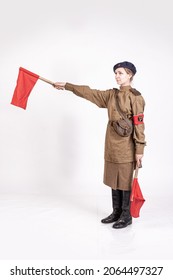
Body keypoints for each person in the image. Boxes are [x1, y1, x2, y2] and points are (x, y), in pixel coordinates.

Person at [54, 61, 146, 229]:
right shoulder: (111, 95)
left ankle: (126, 216)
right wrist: (68, 86)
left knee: (125, 181)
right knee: (113, 179)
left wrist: (139, 150)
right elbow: (89, 92)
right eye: (116, 73)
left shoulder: (136, 97)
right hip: (111, 144)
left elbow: (139, 125)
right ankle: (116, 212)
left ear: (130, 75)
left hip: (127, 147)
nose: (117, 76)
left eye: (121, 73)